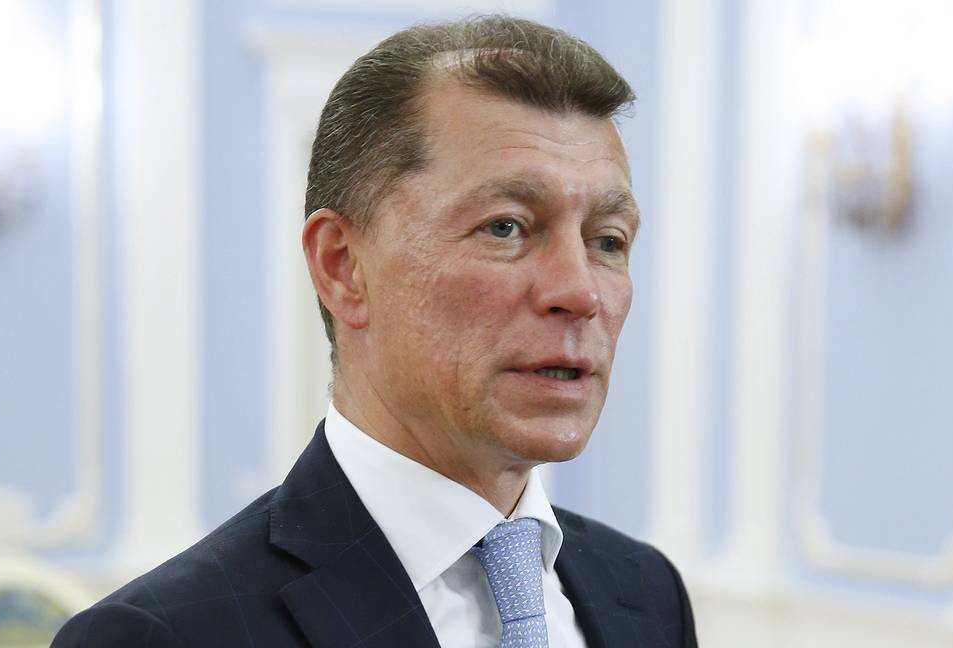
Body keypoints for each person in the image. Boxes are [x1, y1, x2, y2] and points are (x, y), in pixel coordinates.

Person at [52, 14, 697, 648]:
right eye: (506, 227)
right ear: (343, 267)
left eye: (608, 241)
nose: (580, 292)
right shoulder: (164, 635)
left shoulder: (647, 593)